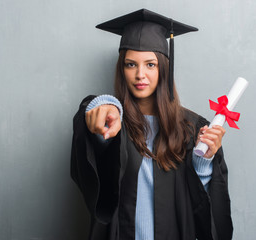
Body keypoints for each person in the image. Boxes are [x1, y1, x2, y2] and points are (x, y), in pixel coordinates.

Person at [71, 9, 233, 240]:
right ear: (121, 68)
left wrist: (203, 160)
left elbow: (206, 212)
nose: (140, 75)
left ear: (164, 68)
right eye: (130, 64)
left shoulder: (191, 128)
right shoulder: (115, 120)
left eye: (150, 64)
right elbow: (95, 139)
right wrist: (102, 104)